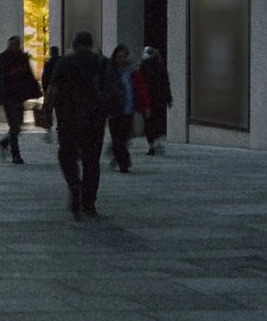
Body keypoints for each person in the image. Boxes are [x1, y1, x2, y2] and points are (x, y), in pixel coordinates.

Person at [43, 30, 120, 219]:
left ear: (75, 43)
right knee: (92, 161)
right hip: (95, 119)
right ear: (91, 43)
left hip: (69, 118)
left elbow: (53, 90)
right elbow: (113, 90)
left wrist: (46, 112)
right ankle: (89, 204)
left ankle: (74, 185)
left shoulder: (65, 62)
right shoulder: (102, 63)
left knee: (67, 155)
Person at [0, 35, 39, 163]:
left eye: (16, 44)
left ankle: (4, 143)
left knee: (19, 125)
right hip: (7, 98)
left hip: (19, 97)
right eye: (12, 44)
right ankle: (16, 155)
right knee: (15, 125)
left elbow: (30, 77)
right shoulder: (2, 60)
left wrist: (36, 92)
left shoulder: (23, 59)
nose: (14, 47)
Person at [107, 45, 139, 173]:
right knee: (116, 138)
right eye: (118, 57)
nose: (121, 59)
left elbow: (139, 89)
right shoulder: (110, 72)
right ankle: (123, 161)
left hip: (128, 110)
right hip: (114, 110)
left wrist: (145, 106)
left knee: (124, 137)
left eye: (124, 57)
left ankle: (122, 160)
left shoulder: (132, 72)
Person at [137, 47, 173, 155]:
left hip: (148, 99)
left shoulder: (143, 67)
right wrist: (168, 98)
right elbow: (166, 84)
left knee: (149, 123)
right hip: (159, 99)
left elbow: (140, 85)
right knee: (157, 121)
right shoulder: (160, 66)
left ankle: (152, 144)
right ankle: (156, 142)